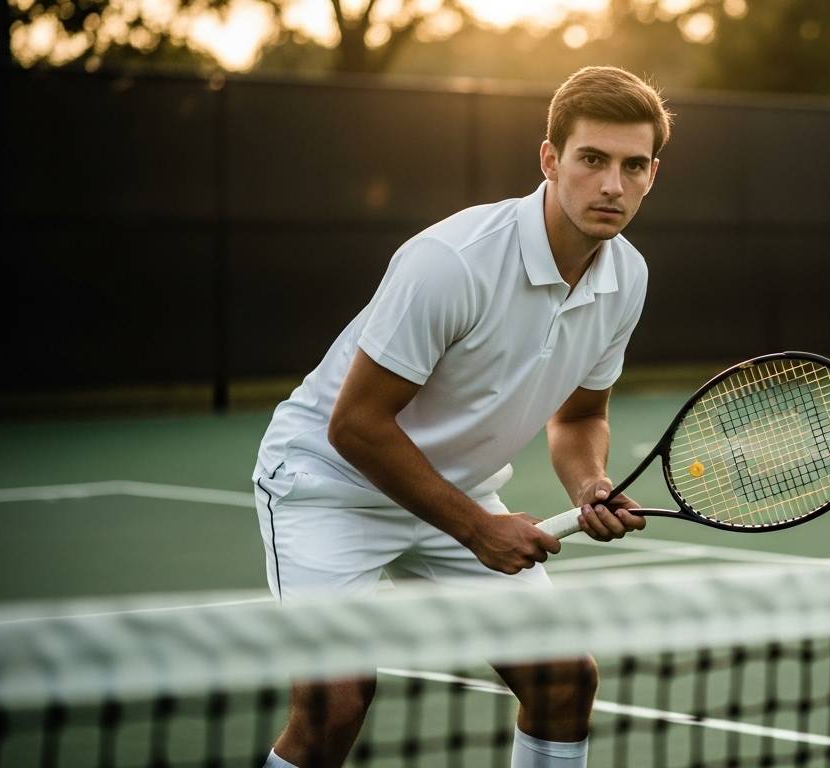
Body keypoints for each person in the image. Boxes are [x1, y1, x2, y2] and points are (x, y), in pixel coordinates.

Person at [251, 65, 672, 768]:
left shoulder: (627, 278)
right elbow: (354, 426)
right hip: (329, 484)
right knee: (336, 704)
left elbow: (578, 416)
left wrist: (588, 483)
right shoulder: (452, 261)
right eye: (592, 160)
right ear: (550, 160)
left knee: (562, 680)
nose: (611, 185)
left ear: (652, 174)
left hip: (456, 486)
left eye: (633, 166)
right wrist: (478, 528)